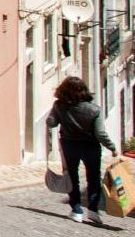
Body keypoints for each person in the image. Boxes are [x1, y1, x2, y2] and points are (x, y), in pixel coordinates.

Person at [47, 75, 117, 225]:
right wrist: (112, 147)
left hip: (69, 145)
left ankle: (76, 210)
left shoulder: (59, 106)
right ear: (84, 90)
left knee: (71, 176)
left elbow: (51, 123)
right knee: (93, 178)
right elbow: (100, 133)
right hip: (91, 146)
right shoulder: (94, 110)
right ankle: (92, 210)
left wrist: (55, 115)